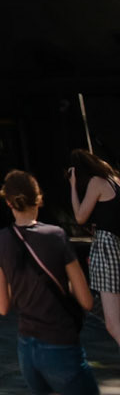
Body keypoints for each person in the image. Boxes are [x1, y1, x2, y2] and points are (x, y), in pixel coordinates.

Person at [0, 169, 98, 395]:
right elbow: (86, 301)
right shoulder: (55, 236)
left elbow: (1, 306)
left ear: (8, 203)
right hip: (60, 342)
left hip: (26, 347)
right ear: (39, 199)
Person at [69, 149, 120, 351]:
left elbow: (80, 217)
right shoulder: (115, 180)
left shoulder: (96, 182)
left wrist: (73, 187)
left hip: (107, 248)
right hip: (115, 244)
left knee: (113, 323)